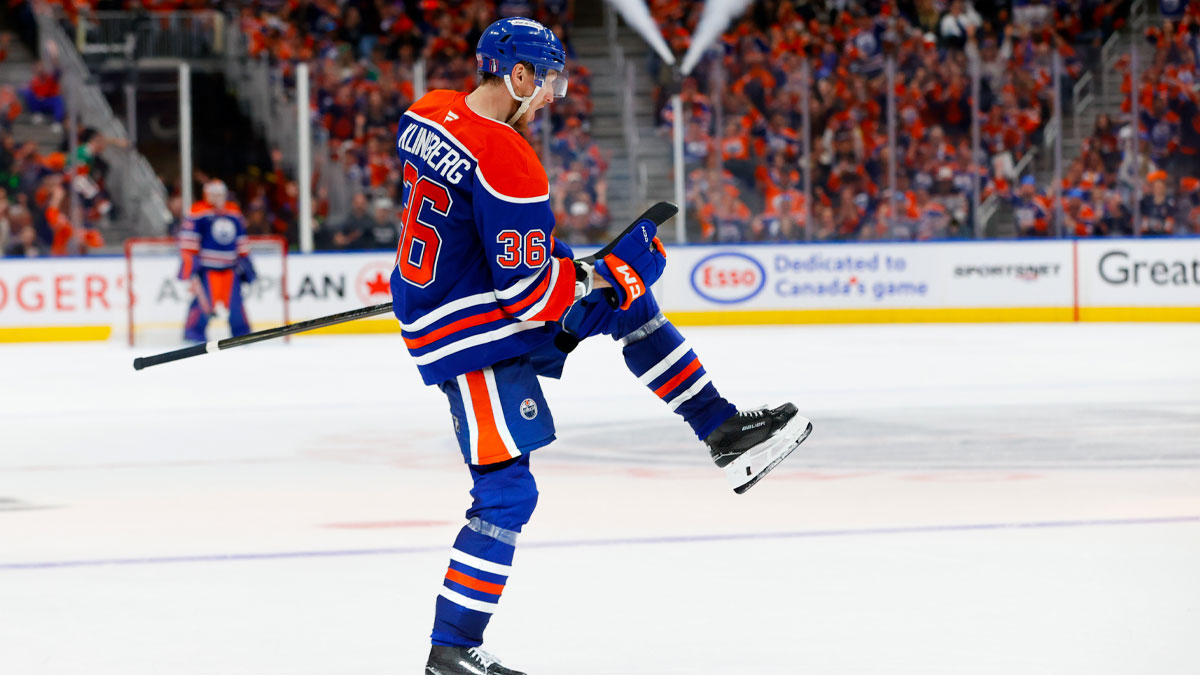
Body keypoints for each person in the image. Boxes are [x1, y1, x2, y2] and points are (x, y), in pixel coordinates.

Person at [390, 18, 812, 675]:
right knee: (507, 494)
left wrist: (593, 278)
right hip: (469, 333)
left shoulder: (426, 112)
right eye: (547, 81)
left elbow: (461, 210)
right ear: (517, 74)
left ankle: (723, 430)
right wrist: (608, 273)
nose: (552, 96)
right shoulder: (510, 161)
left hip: (446, 300)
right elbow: (531, 298)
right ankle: (450, 648)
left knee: (630, 305)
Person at [178, 180, 256, 343]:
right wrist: (190, 262)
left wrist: (245, 259)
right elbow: (189, 239)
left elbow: (241, 238)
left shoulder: (233, 211)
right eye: (214, 194)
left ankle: (241, 333)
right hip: (207, 269)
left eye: (221, 194)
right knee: (204, 304)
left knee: (235, 303)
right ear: (207, 195)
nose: (218, 198)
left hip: (231, 267)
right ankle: (193, 332)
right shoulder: (198, 211)